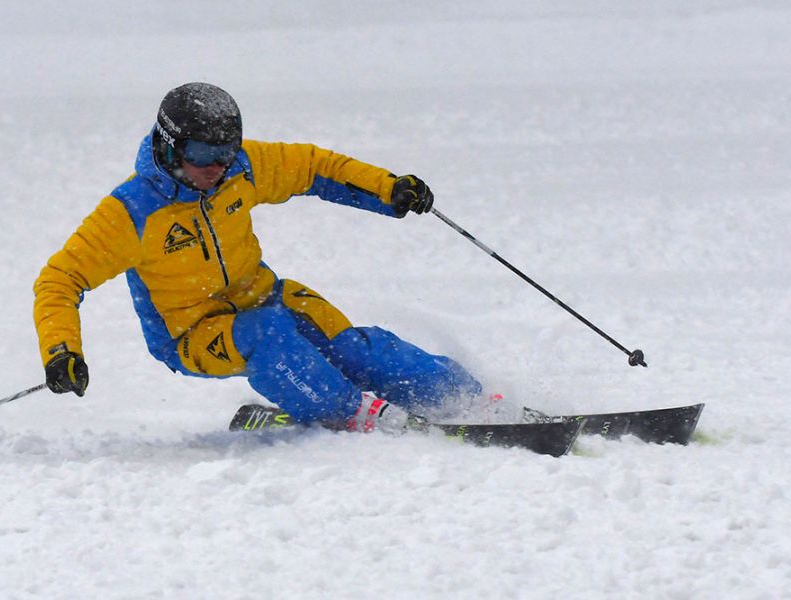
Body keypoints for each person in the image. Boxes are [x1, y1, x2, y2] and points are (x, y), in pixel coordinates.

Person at [33, 82, 481, 432]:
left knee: (351, 346)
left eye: (226, 155)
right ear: (170, 147)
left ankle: (467, 397)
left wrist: (388, 188)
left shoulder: (239, 169)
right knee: (268, 337)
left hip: (263, 297)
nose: (217, 168)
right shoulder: (131, 213)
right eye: (204, 155)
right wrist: (61, 352)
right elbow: (59, 280)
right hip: (193, 334)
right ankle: (353, 412)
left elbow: (313, 167)